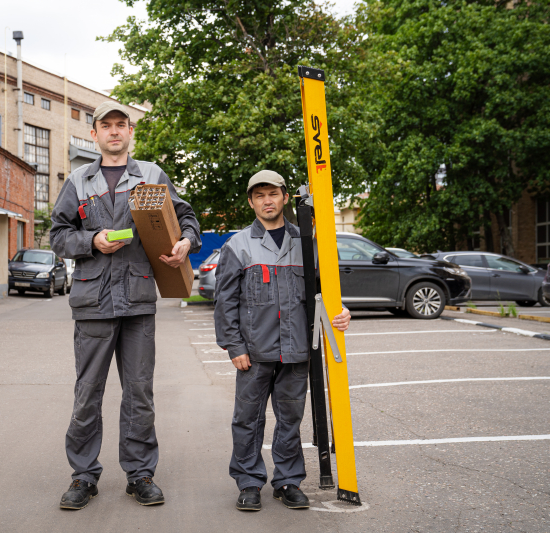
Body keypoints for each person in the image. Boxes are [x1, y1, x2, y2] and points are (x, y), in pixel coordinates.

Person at [50, 101, 201, 510]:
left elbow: (186, 218)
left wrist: (186, 242)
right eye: (107, 126)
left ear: (130, 132)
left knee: (139, 393)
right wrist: (91, 241)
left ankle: (140, 474)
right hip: (93, 302)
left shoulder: (151, 175)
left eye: (121, 125)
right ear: (95, 134)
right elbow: (58, 235)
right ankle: (83, 476)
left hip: (137, 300)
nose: (114, 131)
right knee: (88, 393)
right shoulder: (79, 180)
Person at [213, 170, 351, 511]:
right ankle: (249, 482)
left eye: (273, 194)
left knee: (290, 419)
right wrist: (234, 346)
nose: (267, 201)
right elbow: (224, 301)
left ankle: (288, 481)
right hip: (253, 352)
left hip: (297, 348)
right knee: (247, 420)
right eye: (259, 195)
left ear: (285, 197)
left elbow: (325, 291)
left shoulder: (306, 242)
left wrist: (341, 310)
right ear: (251, 202)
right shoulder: (238, 245)